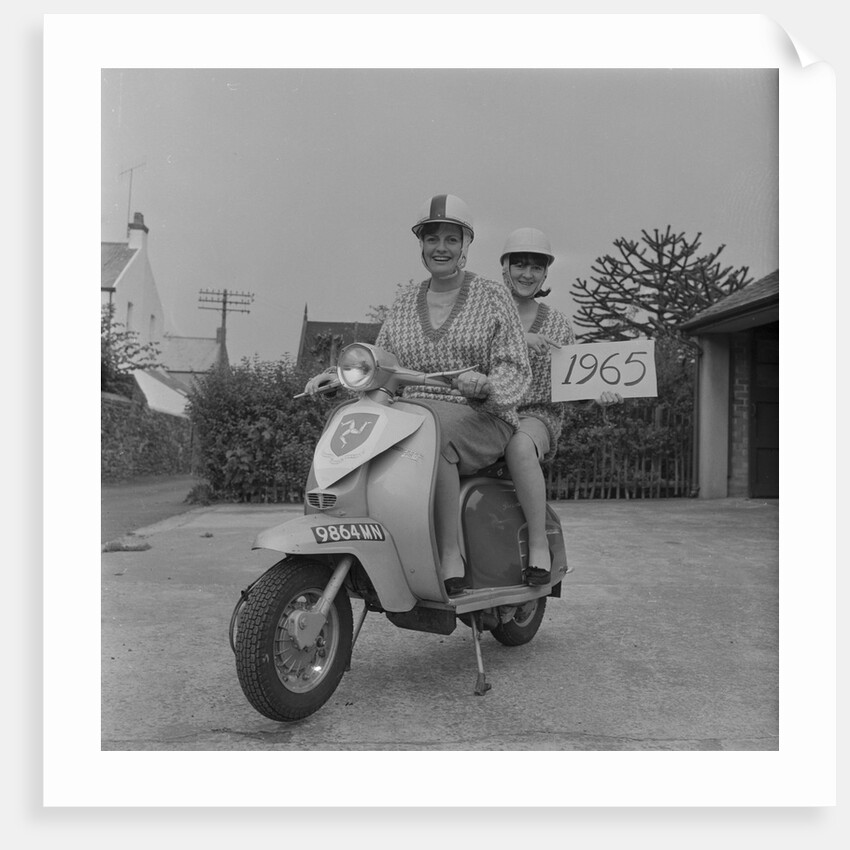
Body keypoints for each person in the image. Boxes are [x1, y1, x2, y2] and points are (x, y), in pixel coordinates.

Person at [306, 195, 531, 597]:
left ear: (466, 245)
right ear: (421, 245)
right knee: (350, 421)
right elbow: (383, 361)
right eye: (431, 238)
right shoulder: (406, 301)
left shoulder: (493, 297)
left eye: (450, 238)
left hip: (481, 415)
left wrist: (485, 385)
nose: (440, 248)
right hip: (412, 411)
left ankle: (449, 555)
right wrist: (336, 376)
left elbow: (515, 368)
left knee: (432, 434)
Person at [500, 227, 620, 585]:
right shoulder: (486, 314)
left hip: (534, 414)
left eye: (536, 268)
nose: (526, 274)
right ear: (504, 267)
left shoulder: (556, 323)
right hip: (489, 411)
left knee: (520, 446)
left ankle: (538, 544)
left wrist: (597, 395)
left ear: (546, 274)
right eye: (519, 264)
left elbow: (573, 382)